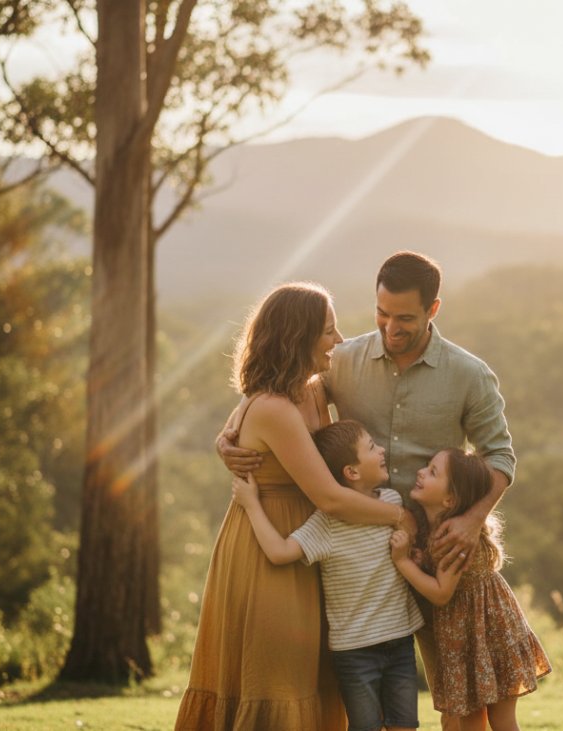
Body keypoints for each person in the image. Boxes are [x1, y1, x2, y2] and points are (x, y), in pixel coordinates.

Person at [217, 251, 518, 725]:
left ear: (432, 310)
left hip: (435, 551)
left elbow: (500, 457)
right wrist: (227, 436)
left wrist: (470, 519)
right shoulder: (342, 361)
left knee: (463, 700)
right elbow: (275, 395)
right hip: (353, 560)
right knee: (346, 693)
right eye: (382, 313)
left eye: (405, 318)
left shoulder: (469, 374)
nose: (390, 327)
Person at [175, 282, 407, 731]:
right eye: (327, 331)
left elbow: (239, 421)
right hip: (268, 550)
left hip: (311, 543)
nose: (338, 341)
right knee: (277, 679)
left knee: (312, 676)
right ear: (296, 338)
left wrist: (224, 438)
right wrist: (402, 515)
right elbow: (329, 496)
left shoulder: (315, 390)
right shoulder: (274, 408)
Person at [232, 419, 469, 731]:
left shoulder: (392, 503)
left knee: (406, 725)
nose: (381, 449)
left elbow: (410, 554)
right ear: (352, 472)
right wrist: (251, 505)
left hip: (399, 642)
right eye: (371, 447)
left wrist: (411, 552)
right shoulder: (326, 524)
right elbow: (279, 552)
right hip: (355, 653)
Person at [390, 448, 551, 731]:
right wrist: (423, 559)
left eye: (432, 472)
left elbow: (441, 592)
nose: (420, 472)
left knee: (488, 721)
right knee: (484, 721)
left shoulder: (452, 538)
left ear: (449, 499)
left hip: (482, 636)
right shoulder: (444, 529)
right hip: (479, 636)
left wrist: (403, 562)